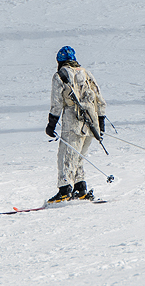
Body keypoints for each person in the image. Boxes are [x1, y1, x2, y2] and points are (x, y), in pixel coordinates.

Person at [45, 46, 107, 203]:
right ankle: (80, 188)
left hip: (73, 122)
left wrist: (51, 124)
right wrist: (100, 121)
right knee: (79, 157)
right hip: (91, 122)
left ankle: (64, 190)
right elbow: (99, 98)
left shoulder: (59, 76)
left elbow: (57, 103)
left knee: (66, 156)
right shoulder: (86, 73)